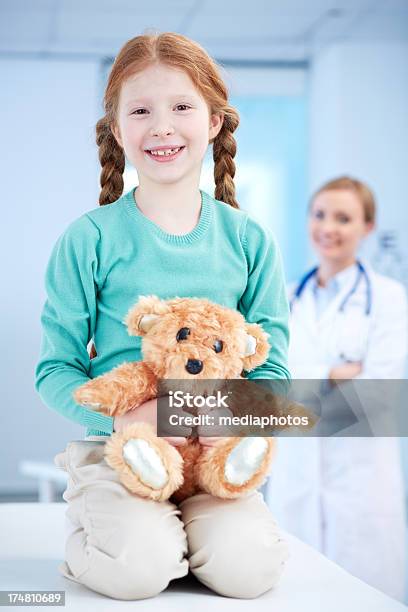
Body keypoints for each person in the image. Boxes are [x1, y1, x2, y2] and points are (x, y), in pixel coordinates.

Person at [34, 32, 290, 600]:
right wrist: (125, 423)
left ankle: (185, 536)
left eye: (181, 107)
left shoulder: (250, 242)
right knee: (139, 571)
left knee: (250, 572)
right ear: (117, 129)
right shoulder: (89, 239)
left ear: (216, 122)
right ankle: (106, 526)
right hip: (121, 447)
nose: (162, 126)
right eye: (141, 111)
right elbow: (56, 371)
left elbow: (272, 374)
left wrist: (236, 417)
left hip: (209, 453)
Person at [265, 176, 408, 601]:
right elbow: (268, 389)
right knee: (293, 594)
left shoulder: (389, 299)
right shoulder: (285, 300)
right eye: (320, 214)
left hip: (360, 483)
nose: (329, 227)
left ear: (366, 227)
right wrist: (332, 374)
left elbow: (378, 398)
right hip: (295, 481)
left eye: (344, 218)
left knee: (364, 596)